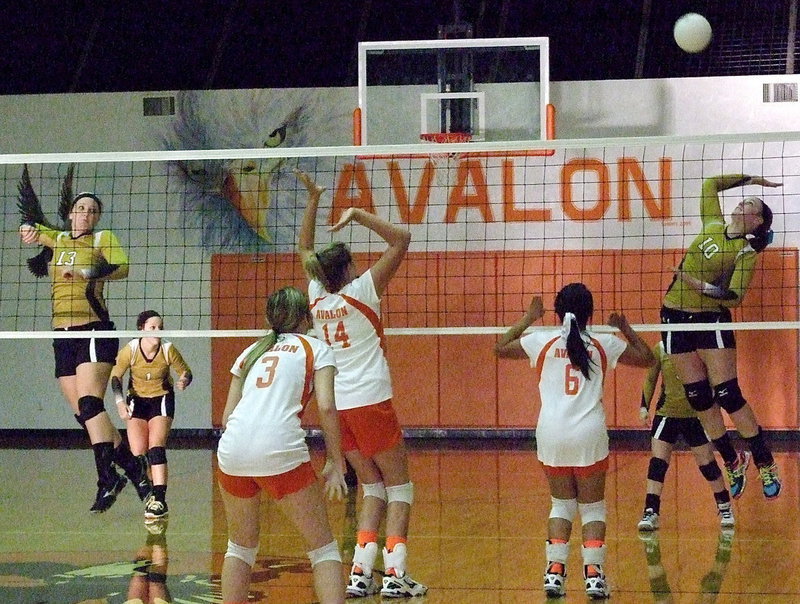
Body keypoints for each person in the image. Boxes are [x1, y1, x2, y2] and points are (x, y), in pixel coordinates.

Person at [296, 170, 427, 598]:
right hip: (371, 400)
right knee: (400, 488)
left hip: (337, 405)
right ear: (349, 267)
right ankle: (395, 576)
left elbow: (303, 248)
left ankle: (359, 573)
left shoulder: (316, 296)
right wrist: (357, 214)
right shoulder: (363, 290)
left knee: (371, 486)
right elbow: (402, 239)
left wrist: (315, 198)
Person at [494, 284, 654, 599]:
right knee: (592, 508)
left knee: (561, 504)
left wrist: (528, 317)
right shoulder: (604, 343)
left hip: (551, 434)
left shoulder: (541, 340)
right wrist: (625, 329)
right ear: (590, 313)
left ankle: (555, 572)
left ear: (556, 311)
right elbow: (648, 358)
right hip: (588, 434)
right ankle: (593, 576)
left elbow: (500, 347)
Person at [18, 192, 150, 512]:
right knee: (84, 414)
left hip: (93, 329)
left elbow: (122, 267)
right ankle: (133, 468)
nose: (85, 214)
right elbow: (29, 229)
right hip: (62, 334)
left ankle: (107, 479)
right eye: (80, 208)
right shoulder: (60, 240)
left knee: (91, 404)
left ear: (97, 217)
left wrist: (87, 273)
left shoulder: (103, 238)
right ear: (71, 214)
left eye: (92, 210)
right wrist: (27, 231)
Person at [216, 286, 347, 604]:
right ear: (307, 317)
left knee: (240, 547)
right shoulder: (316, 348)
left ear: (268, 318)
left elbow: (226, 417)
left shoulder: (250, 352)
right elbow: (327, 407)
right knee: (323, 548)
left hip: (232, 451)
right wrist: (336, 461)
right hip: (279, 449)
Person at [661, 174, 783, 500]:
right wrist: (750, 180)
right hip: (673, 317)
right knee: (699, 397)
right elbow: (710, 184)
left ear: (756, 221)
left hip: (710, 319)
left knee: (728, 393)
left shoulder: (745, 252)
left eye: (750, 205)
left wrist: (698, 285)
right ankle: (732, 459)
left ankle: (764, 460)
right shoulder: (713, 223)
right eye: (745, 200)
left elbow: (734, 296)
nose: (742, 204)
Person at [637, 341, 734, 531]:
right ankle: (651, 511)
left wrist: (715, 406)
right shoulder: (661, 348)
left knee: (708, 464)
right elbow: (650, 378)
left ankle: (725, 507)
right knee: (658, 464)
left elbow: (714, 380)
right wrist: (643, 407)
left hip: (696, 415)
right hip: (667, 414)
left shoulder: (700, 349)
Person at [111, 310, 193, 521]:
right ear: (141, 329)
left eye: (160, 327)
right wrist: (120, 403)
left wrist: (183, 380)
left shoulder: (167, 349)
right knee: (139, 455)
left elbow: (186, 371)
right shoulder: (130, 350)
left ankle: (160, 499)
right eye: (152, 327)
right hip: (136, 401)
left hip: (161, 400)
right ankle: (150, 496)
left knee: (156, 447)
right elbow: (116, 377)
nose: (158, 331)